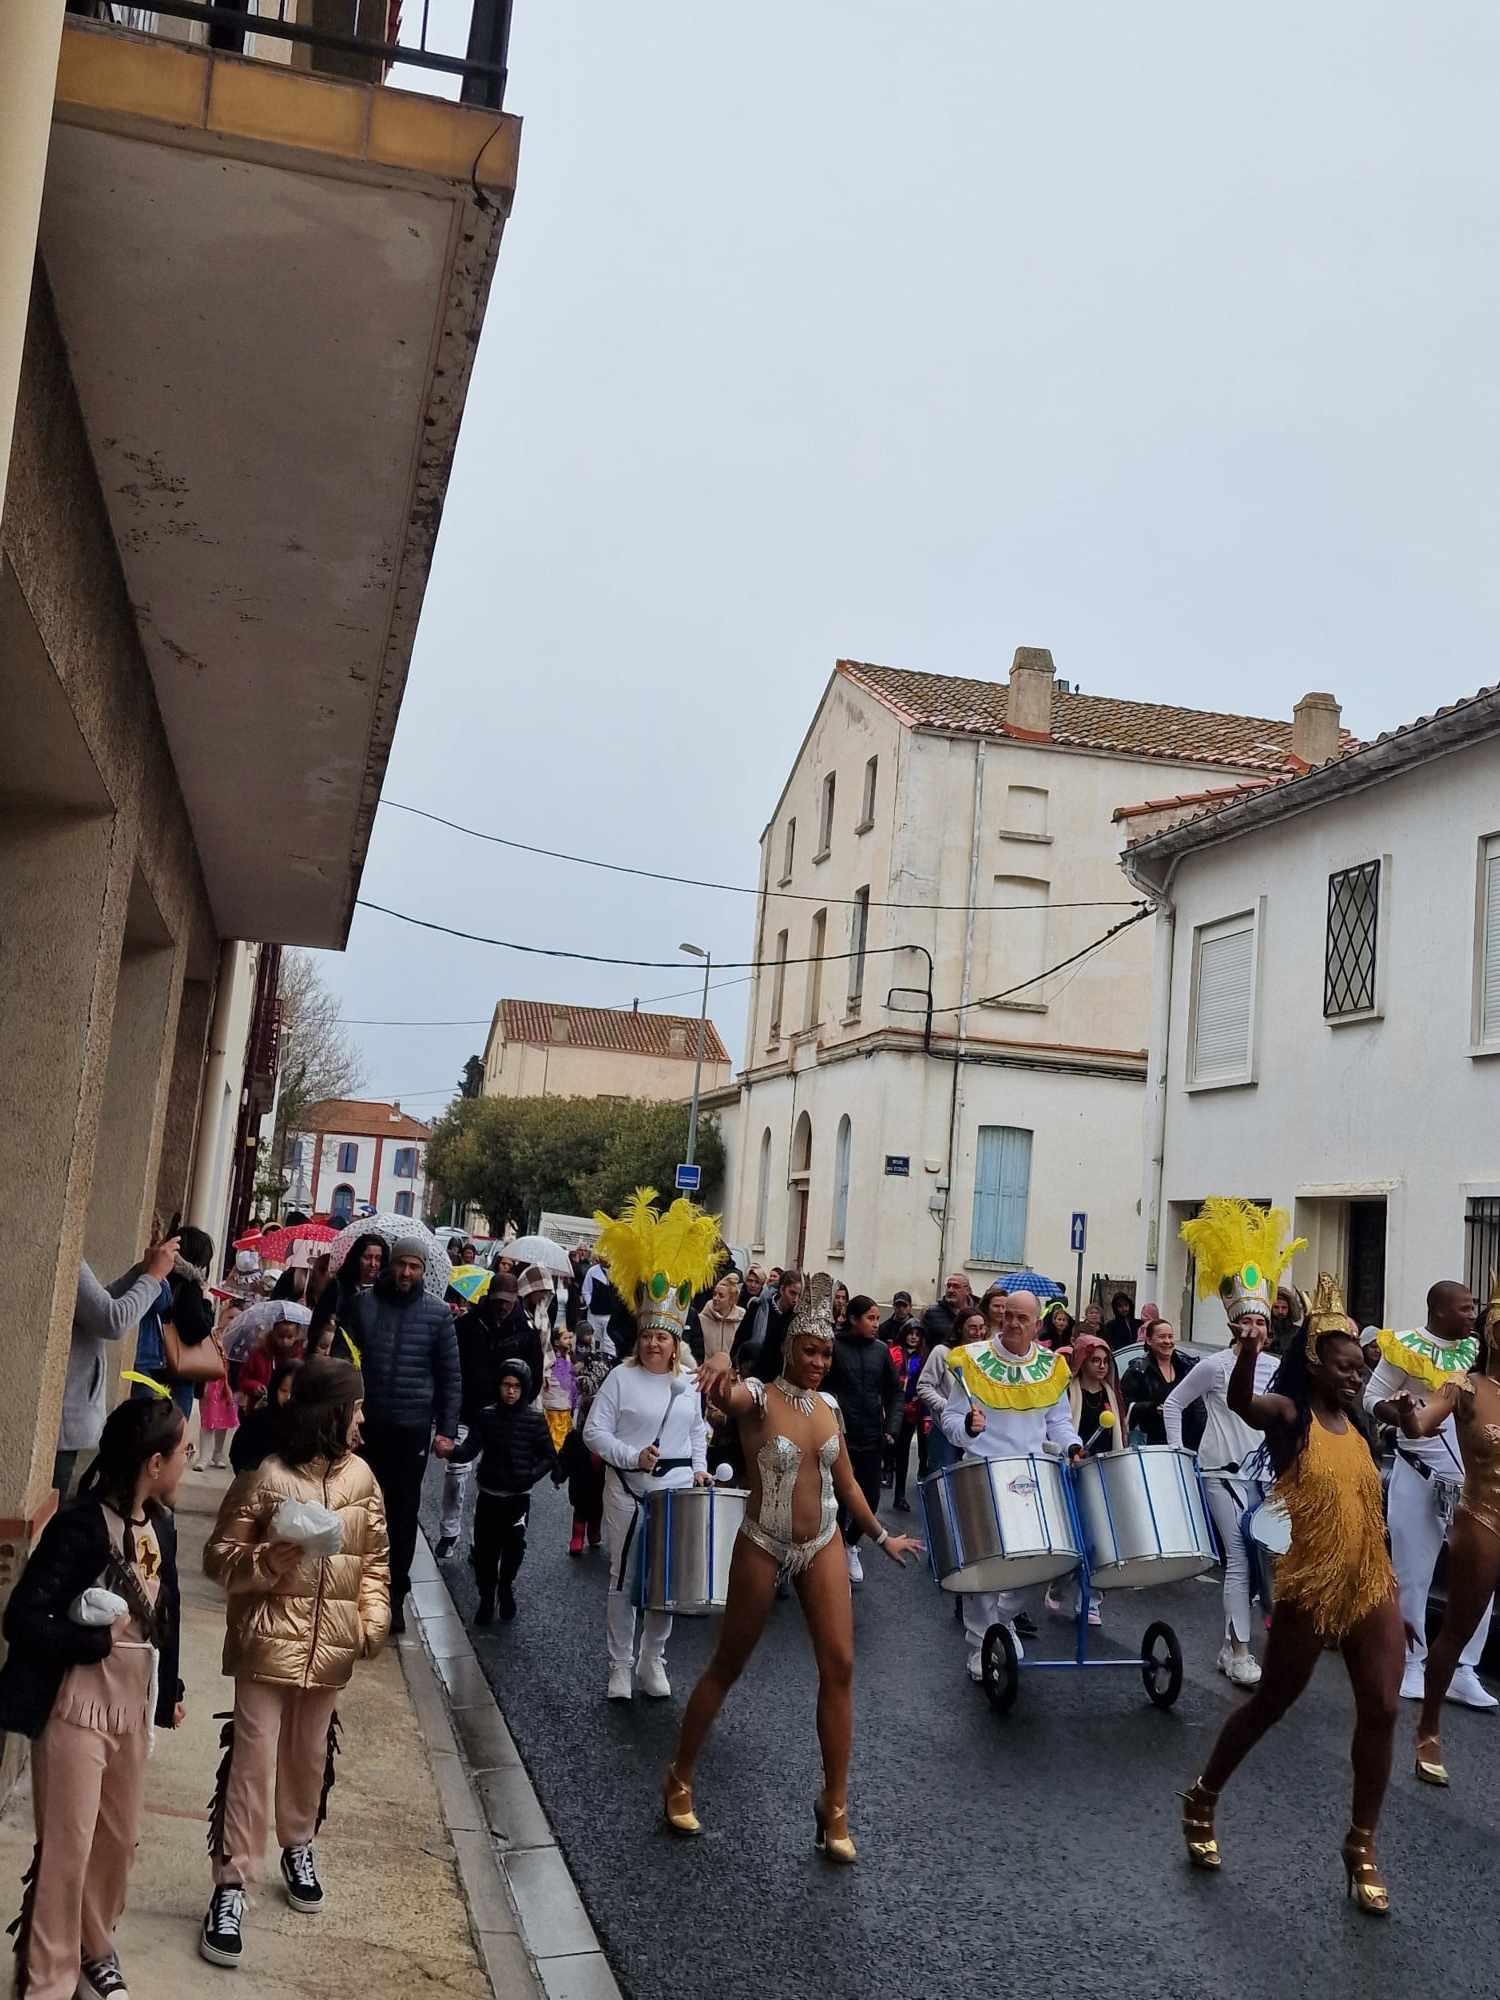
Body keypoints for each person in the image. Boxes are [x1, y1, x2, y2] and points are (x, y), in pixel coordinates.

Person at [668, 1275, 924, 1856]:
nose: (818, 1362)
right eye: (809, 1351)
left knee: (840, 1666)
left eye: (826, 1353)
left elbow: (847, 1482)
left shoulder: (828, 1407)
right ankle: (679, 1775)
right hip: (763, 1541)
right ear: (789, 1348)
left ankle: (834, 1806)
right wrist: (719, 1362)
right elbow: (724, 1396)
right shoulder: (759, 1398)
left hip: (822, 1542)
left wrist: (882, 1537)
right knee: (729, 1663)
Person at [1178, 1273, 1402, 1917]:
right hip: (1310, 1585)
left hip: (1371, 1583)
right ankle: (1203, 1795)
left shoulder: (1356, 1425)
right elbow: (1242, 1402)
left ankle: (1361, 1845)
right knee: (1271, 1704)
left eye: (1360, 1367)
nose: (1356, 1377)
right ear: (1314, 1364)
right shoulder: (1288, 1416)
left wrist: (1397, 1607)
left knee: (1384, 1708)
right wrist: (1251, 1349)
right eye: (1345, 1367)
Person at [201, 1357, 390, 1966]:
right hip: (265, 1642)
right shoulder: (267, 1477)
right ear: (330, 1413)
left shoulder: (363, 1479)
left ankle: (298, 1843)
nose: (363, 1420)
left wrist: (370, 1622)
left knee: (309, 1756)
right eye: (356, 1409)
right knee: (251, 1761)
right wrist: (263, 1563)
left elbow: (376, 1560)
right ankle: (231, 1884)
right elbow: (218, 1556)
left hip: (329, 1648)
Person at [0, 1394, 188, 2000]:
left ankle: (92, 1950)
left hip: (132, 1711)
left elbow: (168, 1611)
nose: (187, 1462)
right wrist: (92, 1640)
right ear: (154, 1463)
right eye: (183, 1452)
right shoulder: (80, 1527)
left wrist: (169, 1691)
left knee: (116, 1841)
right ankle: (48, 1980)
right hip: (74, 1709)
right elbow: (22, 1618)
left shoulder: (162, 1526)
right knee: (67, 1847)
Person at [583, 1193, 715, 1700]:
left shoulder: (689, 1382)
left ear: (675, 1341)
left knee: (666, 1581)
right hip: (626, 1492)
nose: (654, 1344)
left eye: (662, 1338)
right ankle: (619, 1664)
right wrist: (631, 1457)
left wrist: (700, 1469)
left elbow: (698, 1432)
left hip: (675, 1493)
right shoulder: (621, 1377)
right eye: (647, 1337)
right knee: (622, 1579)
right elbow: (594, 1432)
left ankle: (652, 1660)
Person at [1167, 1199, 1298, 1691]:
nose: (1254, 1330)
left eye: (1261, 1323)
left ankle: (1229, 1646)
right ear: (1232, 1325)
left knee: (1269, 1561)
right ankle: (1241, 1651)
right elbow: (1172, 1404)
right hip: (1221, 1473)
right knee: (1240, 1558)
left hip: (1265, 1479)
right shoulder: (1215, 1366)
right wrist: (1181, 1456)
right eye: (1247, 1322)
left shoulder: (1279, 1369)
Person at [1364, 1278, 1497, 1710]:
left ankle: (1464, 1670)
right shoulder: (1404, 1346)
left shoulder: (1477, 1351)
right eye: (1464, 1307)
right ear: (1438, 1310)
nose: (1472, 1313)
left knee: (1479, 1579)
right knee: (1414, 1575)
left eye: (1473, 1307)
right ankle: (1411, 1663)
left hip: (1470, 1485)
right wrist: (1403, 1412)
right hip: (1418, 1475)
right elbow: (1371, 1398)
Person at [940, 1290, 1084, 1682]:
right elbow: (950, 1420)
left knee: (1036, 1563)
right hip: (982, 1472)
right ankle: (980, 1643)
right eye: (1008, 1316)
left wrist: (1072, 1445)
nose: (1013, 1323)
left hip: (1032, 1478)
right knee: (985, 1566)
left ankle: (999, 1626)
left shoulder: (1051, 1366)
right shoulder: (972, 1360)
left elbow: (1058, 1421)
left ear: (1037, 1325)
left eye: (1023, 1318)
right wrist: (968, 1428)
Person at [1397, 1275, 1500, 1785]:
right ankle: (1429, 1727)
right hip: (1482, 1520)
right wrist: (1405, 1414)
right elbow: (1420, 1425)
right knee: (1456, 1630)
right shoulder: (1466, 1386)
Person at [347, 1238, 459, 1636]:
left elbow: (450, 1377)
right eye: (401, 1265)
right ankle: (356, 1591)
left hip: (411, 1430)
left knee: (401, 1514)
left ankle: (393, 1598)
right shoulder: (363, 1305)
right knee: (359, 1510)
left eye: (414, 1267)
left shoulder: (438, 1315)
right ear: (390, 1266)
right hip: (367, 1427)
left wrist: (447, 1430)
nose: (406, 1273)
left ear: (423, 1270)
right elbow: (346, 1362)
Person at [56, 1236, 181, 1499]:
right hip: (63, 1424)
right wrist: (153, 1276)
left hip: (67, 1421)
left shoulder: (60, 1245)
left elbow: (101, 1305)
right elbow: (112, 1320)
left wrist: (141, 1272)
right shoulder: (58, 1243)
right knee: (62, 1509)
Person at [438, 1272, 546, 1560]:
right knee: (456, 1472)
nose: (502, 1306)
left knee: (492, 1483)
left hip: (504, 1416)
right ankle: (449, 1530)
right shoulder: (468, 1325)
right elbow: (451, 1368)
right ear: (489, 1297)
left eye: (507, 1301)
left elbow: (534, 1377)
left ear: (516, 1300)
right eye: (498, 1300)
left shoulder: (526, 1332)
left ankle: (480, 1542)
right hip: (469, 1409)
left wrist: (518, 1409)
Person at [446, 1357, 559, 1624]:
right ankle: (486, 1598)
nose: (510, 1391)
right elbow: (470, 1449)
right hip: (489, 1495)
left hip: (518, 1499)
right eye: (506, 1385)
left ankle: (506, 1586)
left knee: (513, 1549)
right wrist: (449, 1451)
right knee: (485, 1553)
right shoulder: (487, 1416)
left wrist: (530, 1475)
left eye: (516, 1386)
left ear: (524, 1389)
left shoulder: (534, 1420)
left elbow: (549, 1456)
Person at [826, 1296, 901, 1586]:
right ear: (853, 1319)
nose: (876, 1324)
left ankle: (851, 1544)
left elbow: (895, 1392)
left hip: (872, 1437)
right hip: (839, 1437)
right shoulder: (834, 1347)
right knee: (836, 1501)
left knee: (870, 1498)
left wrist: (891, 1427)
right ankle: (833, 1556)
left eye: (877, 1319)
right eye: (870, 1318)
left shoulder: (881, 1351)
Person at [130, 1226, 217, 1419]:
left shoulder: (156, 1274)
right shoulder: (189, 1284)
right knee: (171, 1427)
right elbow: (196, 1329)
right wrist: (207, 1303)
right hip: (174, 1370)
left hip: (146, 1363)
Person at [916, 1305, 985, 1484]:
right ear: (960, 1328)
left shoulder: (986, 1356)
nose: (978, 1332)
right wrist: (947, 1407)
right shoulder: (942, 1352)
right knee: (942, 1481)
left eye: (981, 1327)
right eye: (972, 1327)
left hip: (974, 1430)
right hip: (944, 1430)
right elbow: (924, 1386)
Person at [560, 1328, 612, 1557]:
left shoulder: (608, 1438)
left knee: (597, 1508)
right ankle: (577, 1536)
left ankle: (594, 1531)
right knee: (581, 1509)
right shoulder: (576, 1437)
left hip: (600, 1480)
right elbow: (565, 1456)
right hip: (581, 1480)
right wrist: (559, 1473)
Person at [1122, 1319, 1198, 1446]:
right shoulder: (1138, 1371)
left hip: (1186, 1443)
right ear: (1149, 1340)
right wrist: (1153, 1408)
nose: (1167, 1341)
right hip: (1151, 1446)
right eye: (1162, 1337)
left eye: (1170, 1336)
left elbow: (1198, 1407)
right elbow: (1124, 1407)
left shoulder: (1186, 1367)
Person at [308, 1234, 387, 1347]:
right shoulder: (338, 1287)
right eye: (367, 1257)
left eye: (378, 1258)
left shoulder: (385, 1291)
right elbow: (318, 1324)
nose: (373, 1264)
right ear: (357, 1258)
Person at [230, 1359, 301, 1475]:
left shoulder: (307, 1424)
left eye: (294, 1393)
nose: (288, 1397)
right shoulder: (260, 1418)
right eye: (283, 1391)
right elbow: (238, 1451)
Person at [238, 1304, 311, 1413]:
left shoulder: (300, 1357)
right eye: (280, 1336)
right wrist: (255, 1386)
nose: (285, 1341)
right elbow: (243, 1379)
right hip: (260, 1408)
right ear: (273, 1333)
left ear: (296, 1336)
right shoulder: (259, 1353)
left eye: (289, 1337)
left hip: (288, 1409)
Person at [734, 1268, 804, 1380]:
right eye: (792, 1293)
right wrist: (736, 1367)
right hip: (752, 1373)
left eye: (800, 1295)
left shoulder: (797, 1318)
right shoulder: (759, 1307)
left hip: (779, 1379)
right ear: (782, 1289)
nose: (796, 1299)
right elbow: (740, 1338)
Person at [200, 1301, 242, 1468]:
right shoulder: (211, 1335)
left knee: (223, 1420)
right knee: (207, 1419)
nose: (232, 1321)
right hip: (211, 1382)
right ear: (222, 1316)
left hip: (227, 1385)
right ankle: (204, 1456)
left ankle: (218, 1452)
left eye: (237, 1318)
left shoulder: (239, 1341)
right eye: (230, 1317)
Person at [891, 1323, 928, 1512]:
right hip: (891, 1408)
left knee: (903, 1452)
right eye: (911, 1333)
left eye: (917, 1335)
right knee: (887, 1448)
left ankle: (900, 1495)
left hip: (911, 1411)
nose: (913, 1337)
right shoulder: (894, 1352)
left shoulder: (923, 1358)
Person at [541, 1326, 577, 1454]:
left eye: (570, 1338)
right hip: (554, 1405)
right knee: (555, 1438)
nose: (569, 1341)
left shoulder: (568, 1356)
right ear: (556, 1342)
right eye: (565, 1338)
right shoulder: (550, 1358)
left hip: (565, 1405)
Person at [697, 1272, 745, 1362]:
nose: (715, 1298)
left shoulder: (741, 1320)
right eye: (714, 1294)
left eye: (721, 1296)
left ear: (731, 1300)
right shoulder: (701, 1319)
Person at [921, 1274, 973, 1348]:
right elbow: (923, 1344)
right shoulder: (931, 1313)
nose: (950, 1290)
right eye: (948, 1286)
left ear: (967, 1290)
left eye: (956, 1286)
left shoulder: (978, 1312)